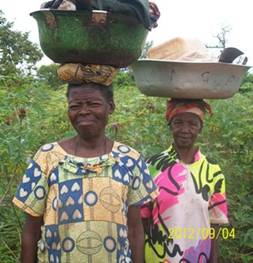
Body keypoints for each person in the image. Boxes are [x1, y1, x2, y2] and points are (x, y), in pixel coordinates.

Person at [13, 81, 157, 263]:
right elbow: (31, 232)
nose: (84, 111)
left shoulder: (129, 159)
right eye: (75, 106)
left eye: (93, 104)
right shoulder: (47, 157)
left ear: (110, 107)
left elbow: (135, 231)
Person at [141, 99, 229, 263]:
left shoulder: (213, 172)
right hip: (159, 256)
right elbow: (142, 219)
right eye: (178, 122)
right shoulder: (151, 166)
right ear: (170, 125)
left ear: (200, 128)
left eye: (192, 123)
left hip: (198, 256)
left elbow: (214, 224)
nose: (185, 129)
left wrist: (213, 259)